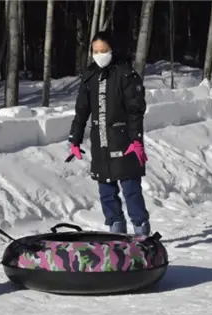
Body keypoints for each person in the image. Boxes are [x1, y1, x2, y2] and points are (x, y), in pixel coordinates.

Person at [68, 31, 151, 236]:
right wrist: (75, 140)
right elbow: (81, 112)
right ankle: (117, 233)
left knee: (131, 189)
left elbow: (135, 110)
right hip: (101, 142)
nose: (99, 54)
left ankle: (141, 232)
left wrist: (136, 140)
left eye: (103, 50)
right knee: (107, 192)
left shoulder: (126, 74)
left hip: (124, 141)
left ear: (112, 50)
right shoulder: (90, 77)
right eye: (95, 51)